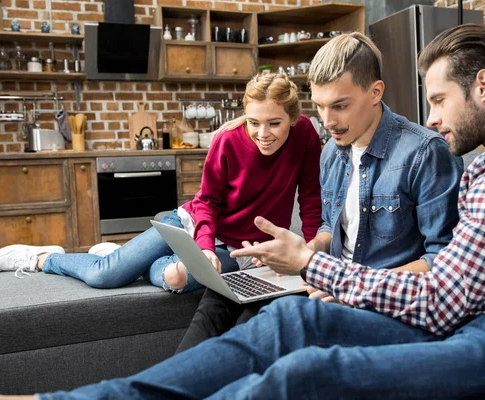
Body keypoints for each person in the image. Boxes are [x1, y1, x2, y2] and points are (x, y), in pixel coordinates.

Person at [1, 23, 485, 400]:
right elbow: (277, 139)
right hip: (475, 304)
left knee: (302, 373)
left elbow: (444, 293)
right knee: (272, 316)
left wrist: (313, 269)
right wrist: (303, 257)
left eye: (440, 99)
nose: (436, 116)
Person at [174, 31, 462, 353]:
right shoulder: (332, 153)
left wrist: (341, 281)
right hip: (325, 279)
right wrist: (300, 250)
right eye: (320, 107)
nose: (328, 122)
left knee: (252, 333)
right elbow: (329, 227)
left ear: (375, 92)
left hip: (373, 298)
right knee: (220, 297)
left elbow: (444, 262)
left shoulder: (424, 153)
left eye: (340, 105)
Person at [0, 72, 322, 297]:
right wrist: (205, 246)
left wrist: (305, 256)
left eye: (274, 123)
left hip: (242, 249)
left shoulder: (305, 135)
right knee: (104, 276)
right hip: (192, 224)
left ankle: (129, 256)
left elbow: (310, 199)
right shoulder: (227, 140)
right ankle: (42, 257)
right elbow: (207, 202)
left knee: (176, 278)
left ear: (293, 119)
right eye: (254, 122)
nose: (262, 133)